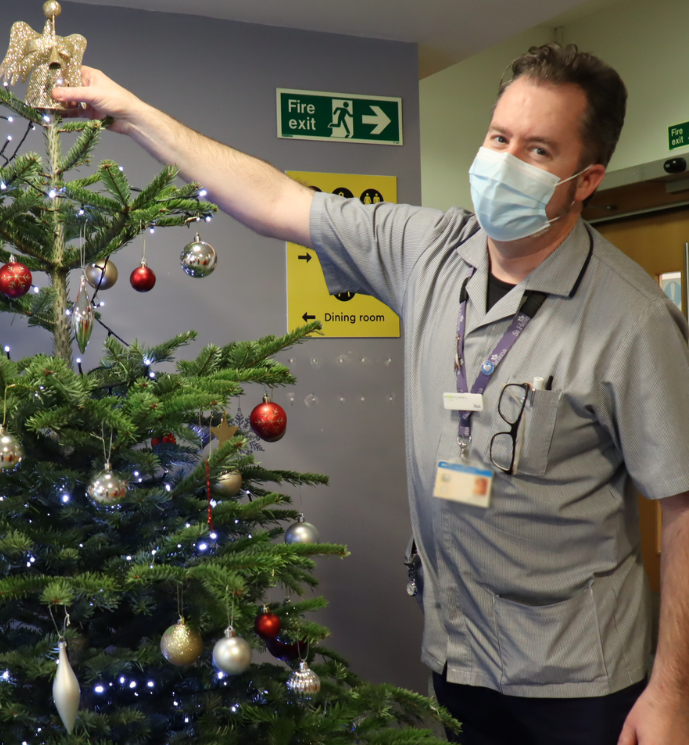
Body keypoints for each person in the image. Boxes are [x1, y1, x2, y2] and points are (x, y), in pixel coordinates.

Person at [52, 44, 689, 745]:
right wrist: (135, 113)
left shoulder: (631, 320)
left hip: (579, 679)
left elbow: (684, 510)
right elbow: (276, 201)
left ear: (586, 178)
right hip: (458, 656)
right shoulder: (431, 249)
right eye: (498, 138)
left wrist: (671, 694)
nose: (504, 163)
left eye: (537, 150)